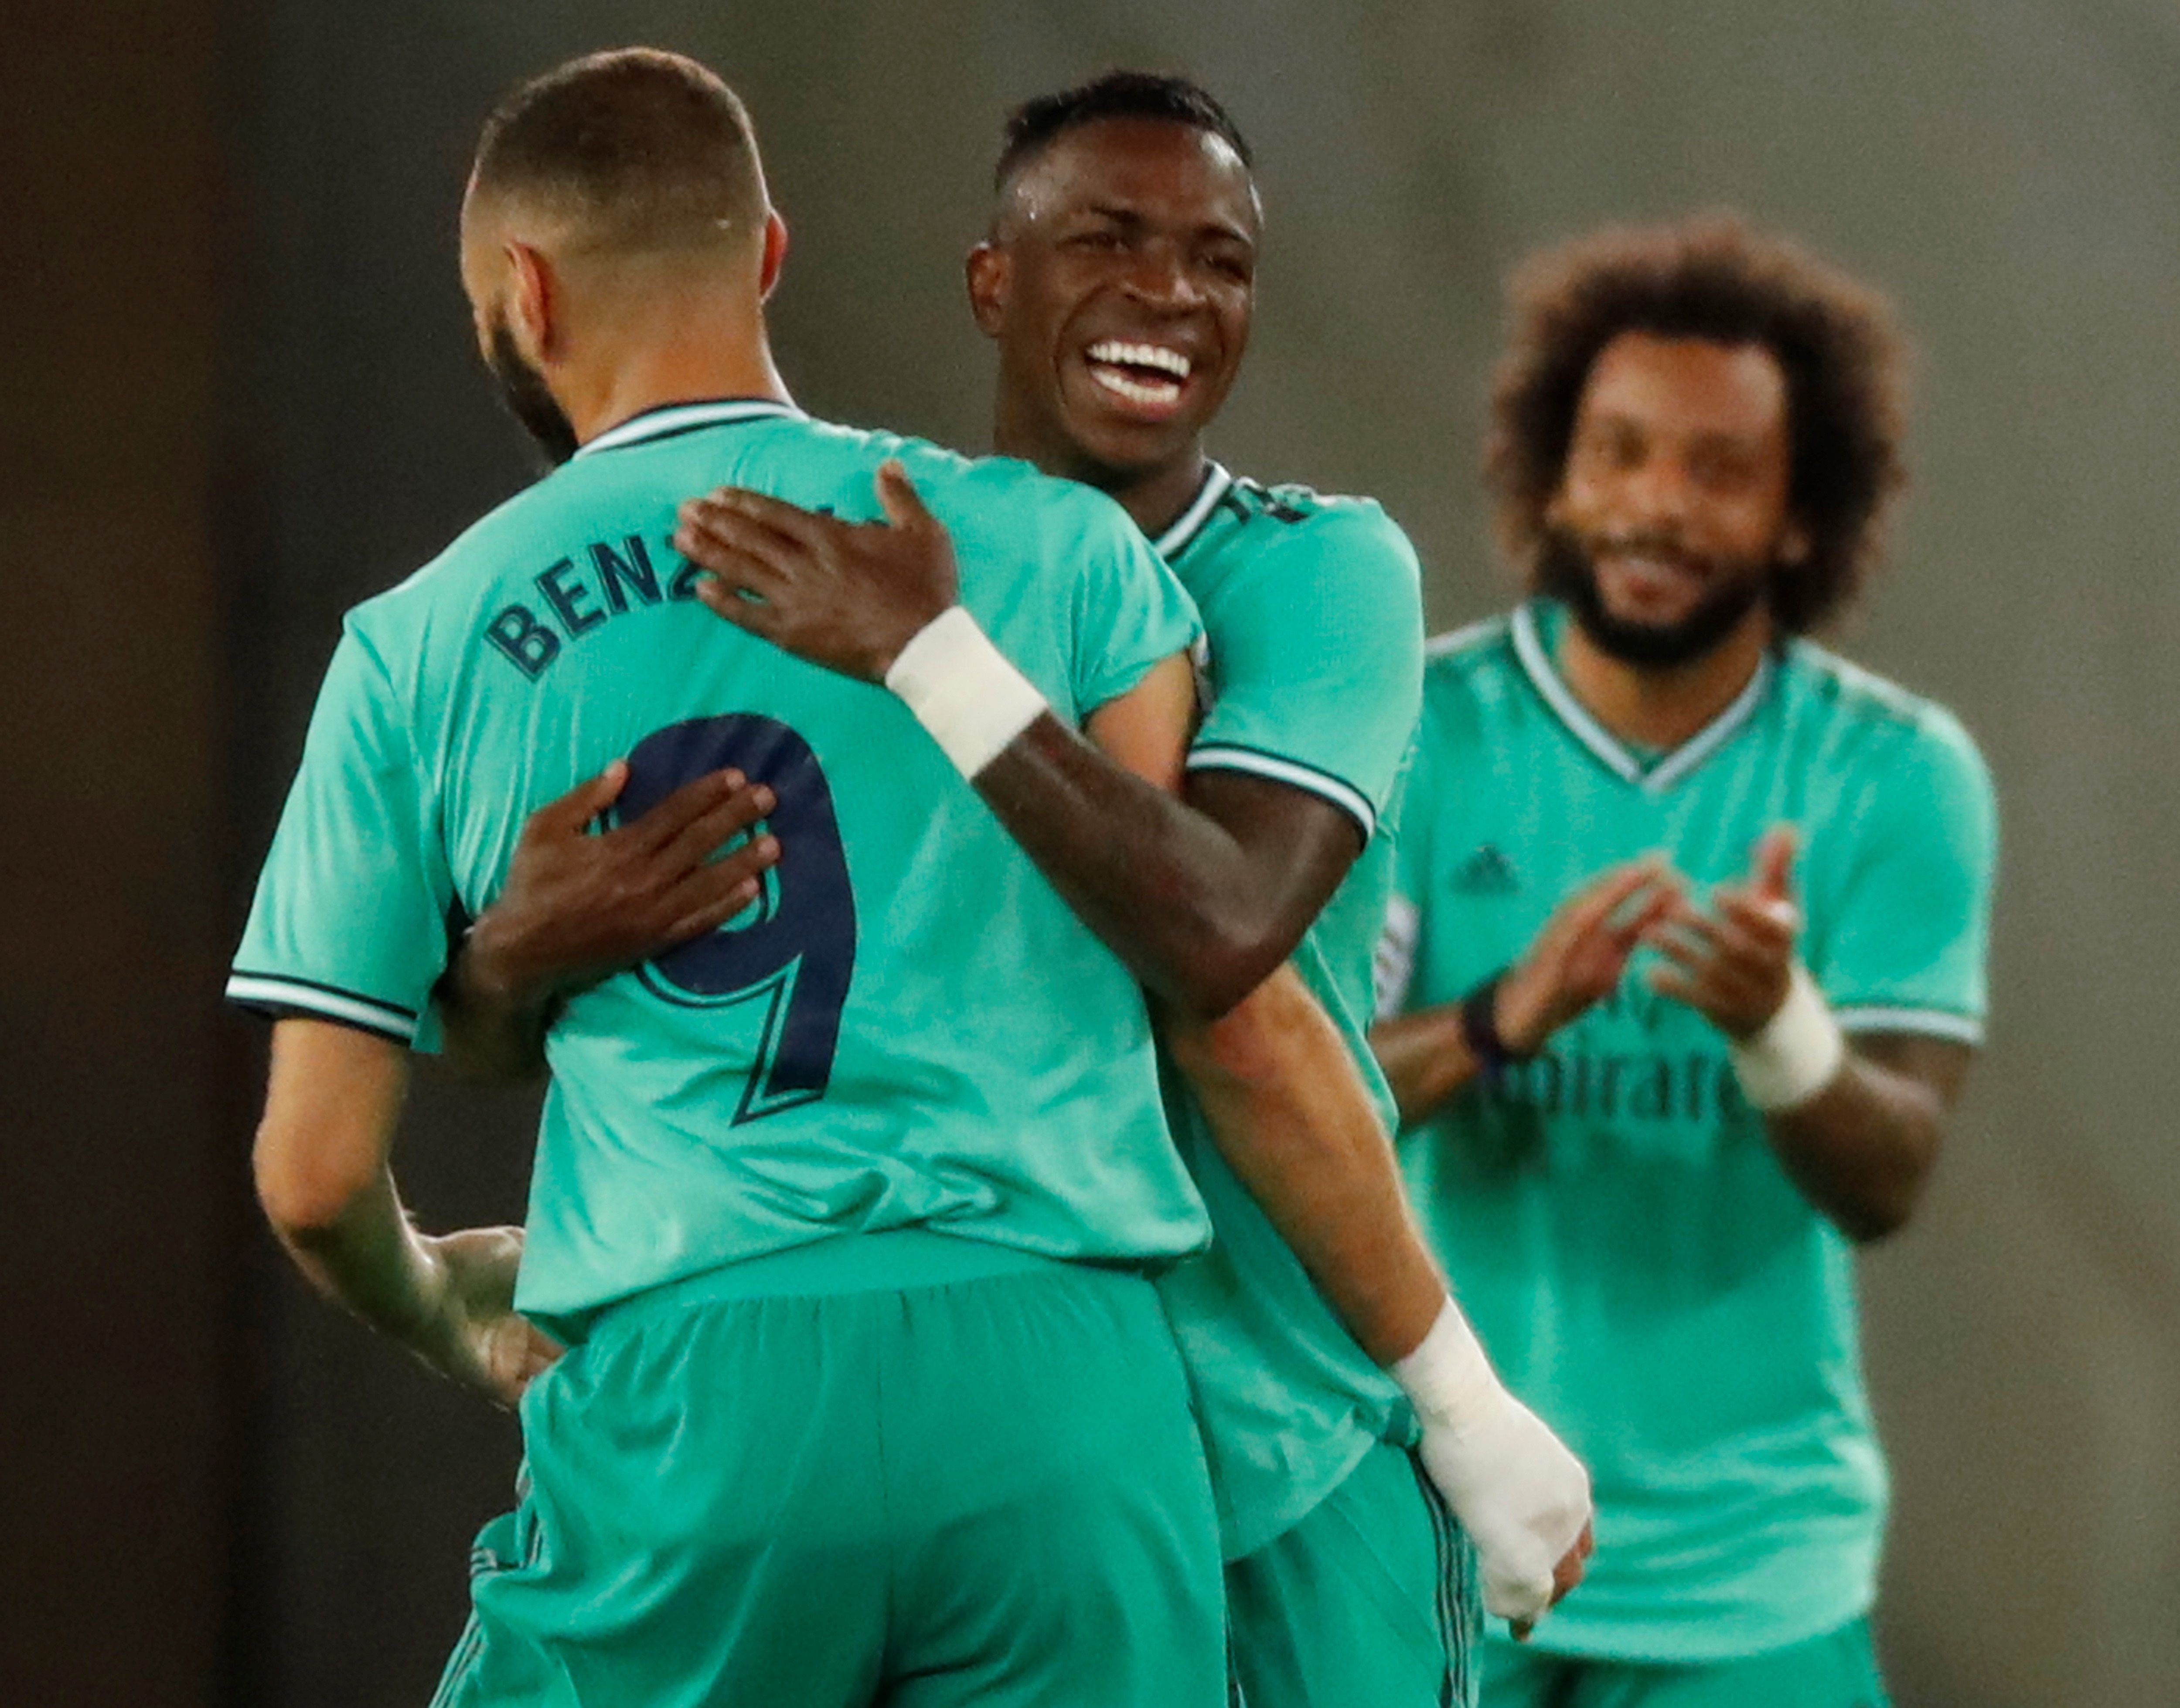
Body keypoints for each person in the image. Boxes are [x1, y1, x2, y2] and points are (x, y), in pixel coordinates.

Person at [228, 48, 1238, 1708]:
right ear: (768, 252)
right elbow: (1194, 953)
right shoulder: (1071, 556)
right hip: (1068, 1397)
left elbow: (313, 1177)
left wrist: (448, 1318)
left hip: (703, 1404)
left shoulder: (412, 649)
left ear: (523, 294)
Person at [657, 73, 1591, 1706]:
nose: (1170, 291)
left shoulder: (1315, 570)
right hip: (985, 1471)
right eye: (1108, 239)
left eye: (1219, 261)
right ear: (990, 282)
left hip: (1285, 1449)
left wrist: (1456, 1397)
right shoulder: (852, 570)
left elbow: (1225, 938)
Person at [1370, 217, 1998, 1708]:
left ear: (1801, 514)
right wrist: (1506, 1017)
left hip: (1752, 1585)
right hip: (1441, 1541)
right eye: (1622, 454)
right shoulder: (1418, 729)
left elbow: (1891, 1173)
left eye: (1719, 471)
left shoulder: (1894, 775)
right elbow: (1295, 1094)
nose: (1656, 505)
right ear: (1554, 473)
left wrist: (1781, 1028)